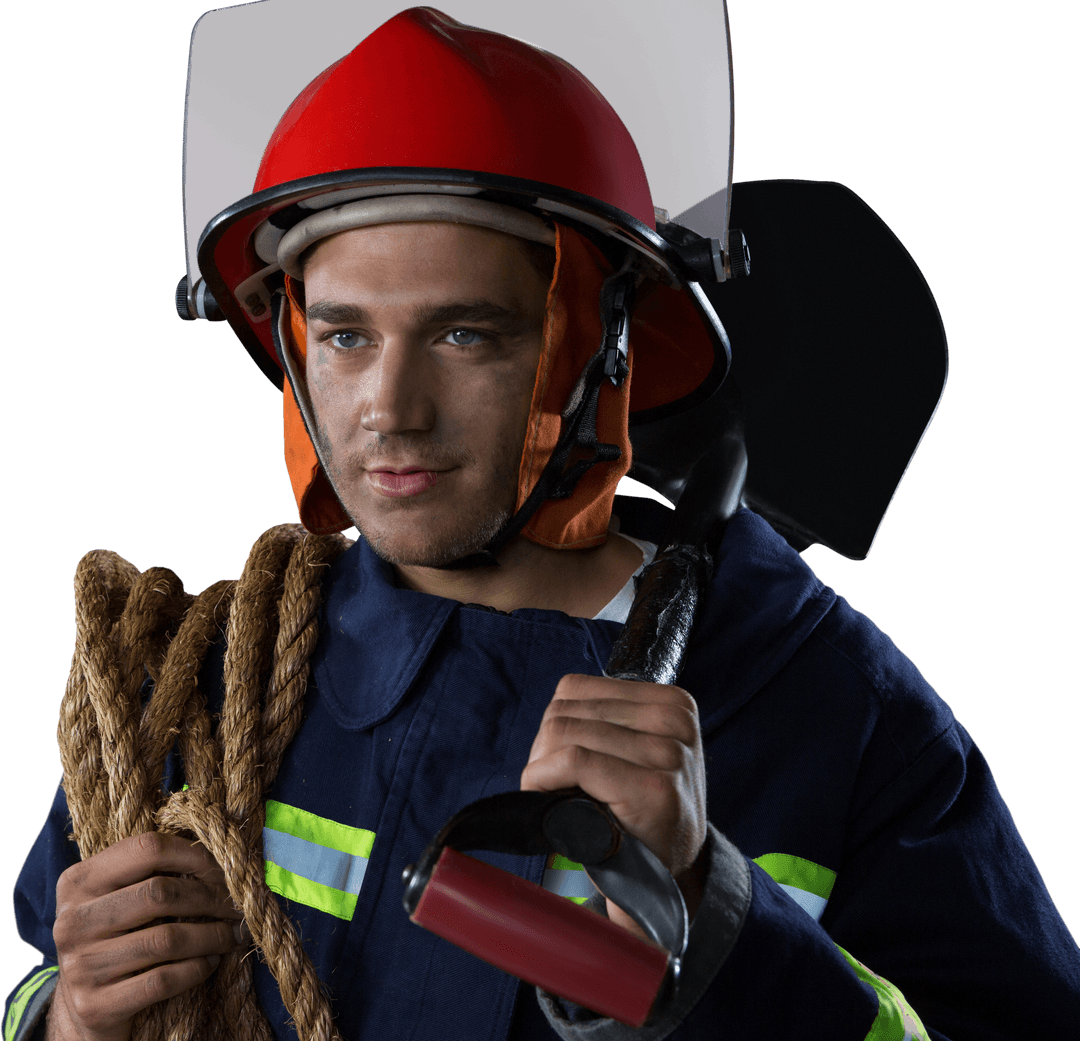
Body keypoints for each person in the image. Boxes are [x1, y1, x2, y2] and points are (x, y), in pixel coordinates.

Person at [5, 8, 1078, 1041]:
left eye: (466, 334)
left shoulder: (833, 715)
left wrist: (716, 914)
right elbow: (42, 973)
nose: (391, 408)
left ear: (598, 351)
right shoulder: (182, 690)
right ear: (286, 342)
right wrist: (70, 1019)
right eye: (343, 337)